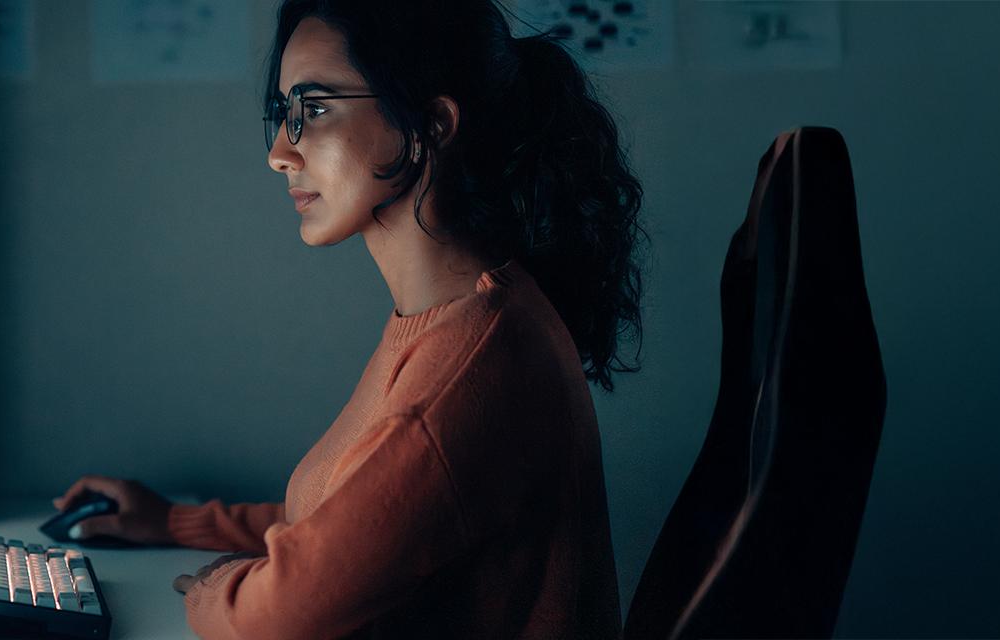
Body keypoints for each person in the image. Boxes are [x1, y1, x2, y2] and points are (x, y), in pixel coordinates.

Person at [55, 0, 644, 637]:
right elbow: (346, 520)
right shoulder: (454, 318)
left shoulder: (471, 365)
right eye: (285, 113)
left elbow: (279, 617)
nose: (280, 152)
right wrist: (171, 523)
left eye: (315, 109)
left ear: (429, 125)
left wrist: (212, 586)